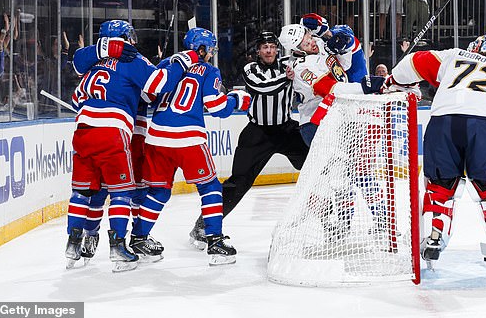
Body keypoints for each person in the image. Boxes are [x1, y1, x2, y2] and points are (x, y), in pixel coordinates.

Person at [389, 34, 486, 269]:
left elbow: (410, 65)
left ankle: (434, 234)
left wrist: (396, 81)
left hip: (443, 123)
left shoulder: (452, 56)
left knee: (439, 187)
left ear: (474, 46)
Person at [65, 20, 198, 272]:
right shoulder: (132, 59)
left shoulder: (93, 65)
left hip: (83, 131)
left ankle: (73, 242)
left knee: (83, 192)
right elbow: (157, 86)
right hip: (114, 132)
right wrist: (180, 63)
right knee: (122, 192)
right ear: (127, 37)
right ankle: (118, 248)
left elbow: (75, 99)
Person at [139, 27, 251, 266]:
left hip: (157, 137)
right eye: (210, 48)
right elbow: (217, 106)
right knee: (210, 187)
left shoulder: (170, 63)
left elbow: (148, 96)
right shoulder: (209, 70)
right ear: (204, 48)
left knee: (158, 191)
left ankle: (139, 239)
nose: (211, 53)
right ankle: (215, 241)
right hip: (188, 138)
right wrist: (237, 99)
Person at [189, 32, 309, 247]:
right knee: (238, 183)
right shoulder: (250, 69)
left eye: (272, 46)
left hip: (286, 130)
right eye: (265, 47)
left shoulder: (288, 64)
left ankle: (327, 219)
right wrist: (287, 77)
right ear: (258, 51)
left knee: (314, 166)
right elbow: (264, 88)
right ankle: (203, 226)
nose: (269, 50)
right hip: (257, 134)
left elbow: (304, 56)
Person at [277, 23, 384, 146]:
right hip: (316, 124)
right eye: (306, 44)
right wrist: (364, 87)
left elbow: (343, 67)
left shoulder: (319, 43)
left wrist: (343, 49)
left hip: (337, 117)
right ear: (296, 50)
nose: (312, 43)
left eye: (310, 38)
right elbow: (330, 90)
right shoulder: (301, 68)